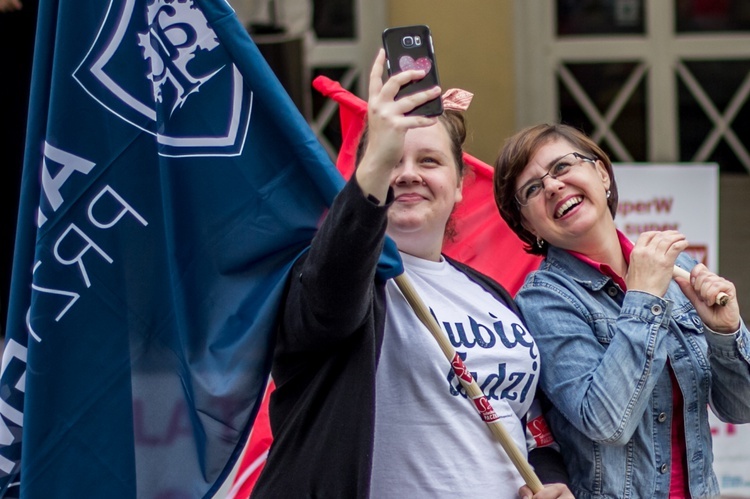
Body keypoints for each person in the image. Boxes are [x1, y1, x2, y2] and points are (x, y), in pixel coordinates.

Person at [251, 51, 573, 498]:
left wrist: (552, 480)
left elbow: (529, 426)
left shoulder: (493, 295)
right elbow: (331, 295)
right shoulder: (334, 274)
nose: (407, 175)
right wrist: (371, 176)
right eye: (392, 160)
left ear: (459, 182)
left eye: (429, 162)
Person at [493, 122, 750, 498]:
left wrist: (725, 333)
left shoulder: (676, 270)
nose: (551, 186)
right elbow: (606, 421)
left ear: (601, 173)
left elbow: (740, 408)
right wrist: (645, 298)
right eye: (532, 189)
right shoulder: (542, 300)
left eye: (562, 167)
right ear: (528, 225)